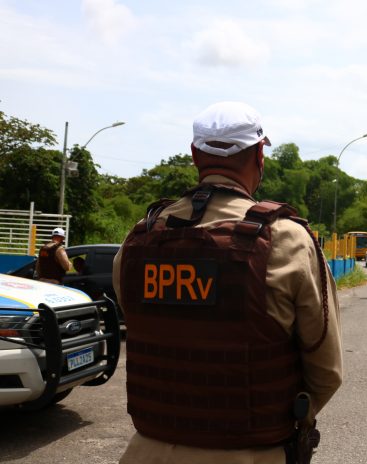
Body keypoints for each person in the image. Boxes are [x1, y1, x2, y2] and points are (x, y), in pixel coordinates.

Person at [113, 101, 343, 464]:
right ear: (259, 156)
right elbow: (326, 371)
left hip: (146, 451)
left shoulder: (138, 240)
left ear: (194, 155)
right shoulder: (286, 239)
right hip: (252, 453)